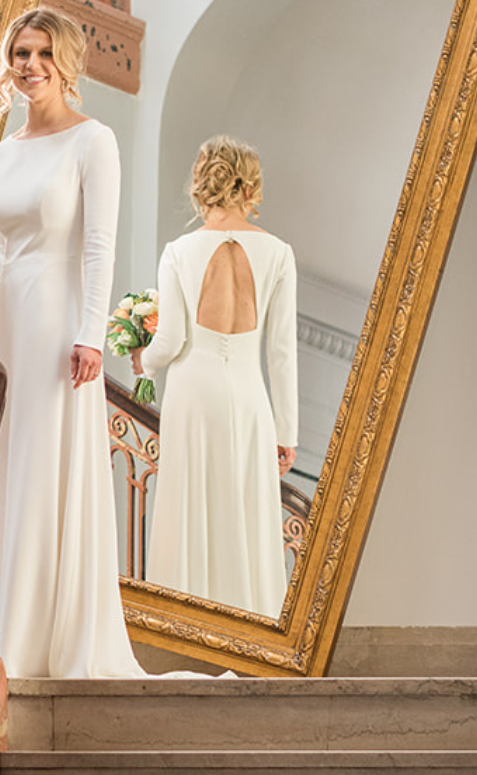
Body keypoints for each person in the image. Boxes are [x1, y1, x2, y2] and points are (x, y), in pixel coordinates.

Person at [0, 7, 141, 677]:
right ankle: (11, 632)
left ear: (65, 63)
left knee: (50, 464)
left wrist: (91, 334)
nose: (29, 65)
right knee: (12, 468)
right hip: (13, 325)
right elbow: (8, 257)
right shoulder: (1, 151)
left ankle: (51, 639)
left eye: (42, 53)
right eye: (20, 52)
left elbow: (99, 246)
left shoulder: (93, 141)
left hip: (63, 327)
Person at [132, 135, 298, 618]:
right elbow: (282, 350)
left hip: (192, 392)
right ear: (250, 187)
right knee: (244, 510)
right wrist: (286, 433)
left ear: (203, 184)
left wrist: (143, 359)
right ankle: (249, 627)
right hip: (248, 395)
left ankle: (181, 626)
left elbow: (172, 340)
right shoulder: (279, 253)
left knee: (190, 506)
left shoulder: (180, 251)